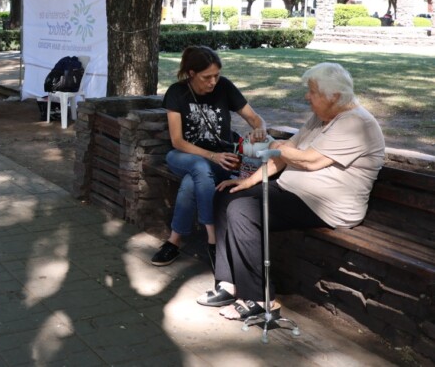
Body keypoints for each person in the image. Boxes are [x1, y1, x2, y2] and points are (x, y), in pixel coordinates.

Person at [201, 63, 384, 321]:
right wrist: (249, 181)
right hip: (293, 193)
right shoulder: (321, 117)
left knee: (243, 210)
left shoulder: (356, 122)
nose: (307, 96)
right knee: (227, 194)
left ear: (334, 96)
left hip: (328, 206)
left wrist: (279, 147)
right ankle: (229, 283)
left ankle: (259, 298)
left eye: (312, 92)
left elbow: (309, 161)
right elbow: (283, 156)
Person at [151, 45, 266, 267]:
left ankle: (174, 242)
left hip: (220, 160)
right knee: (198, 166)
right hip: (183, 155)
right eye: (207, 77)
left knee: (192, 181)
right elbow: (177, 141)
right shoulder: (177, 92)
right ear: (192, 73)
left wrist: (260, 129)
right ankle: (213, 240)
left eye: (216, 75)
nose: (213, 82)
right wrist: (212, 156)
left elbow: (254, 118)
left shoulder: (225, 87)